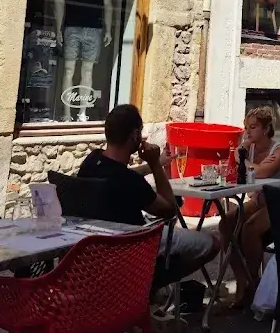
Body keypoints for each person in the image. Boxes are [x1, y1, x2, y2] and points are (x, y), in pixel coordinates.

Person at [77, 104, 218, 268]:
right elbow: (169, 209)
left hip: (96, 250)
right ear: (135, 135)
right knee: (213, 243)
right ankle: (152, 283)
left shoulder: (92, 162)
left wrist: (152, 165)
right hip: (135, 249)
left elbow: (119, 174)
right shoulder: (130, 182)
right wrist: (155, 165)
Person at [219, 106, 280, 307]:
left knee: (249, 228)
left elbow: (260, 174)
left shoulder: (279, 151)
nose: (248, 132)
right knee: (226, 223)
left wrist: (246, 163)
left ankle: (253, 283)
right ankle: (242, 278)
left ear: (266, 128)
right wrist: (247, 162)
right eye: (246, 127)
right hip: (260, 200)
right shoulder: (249, 150)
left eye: (253, 127)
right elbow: (240, 173)